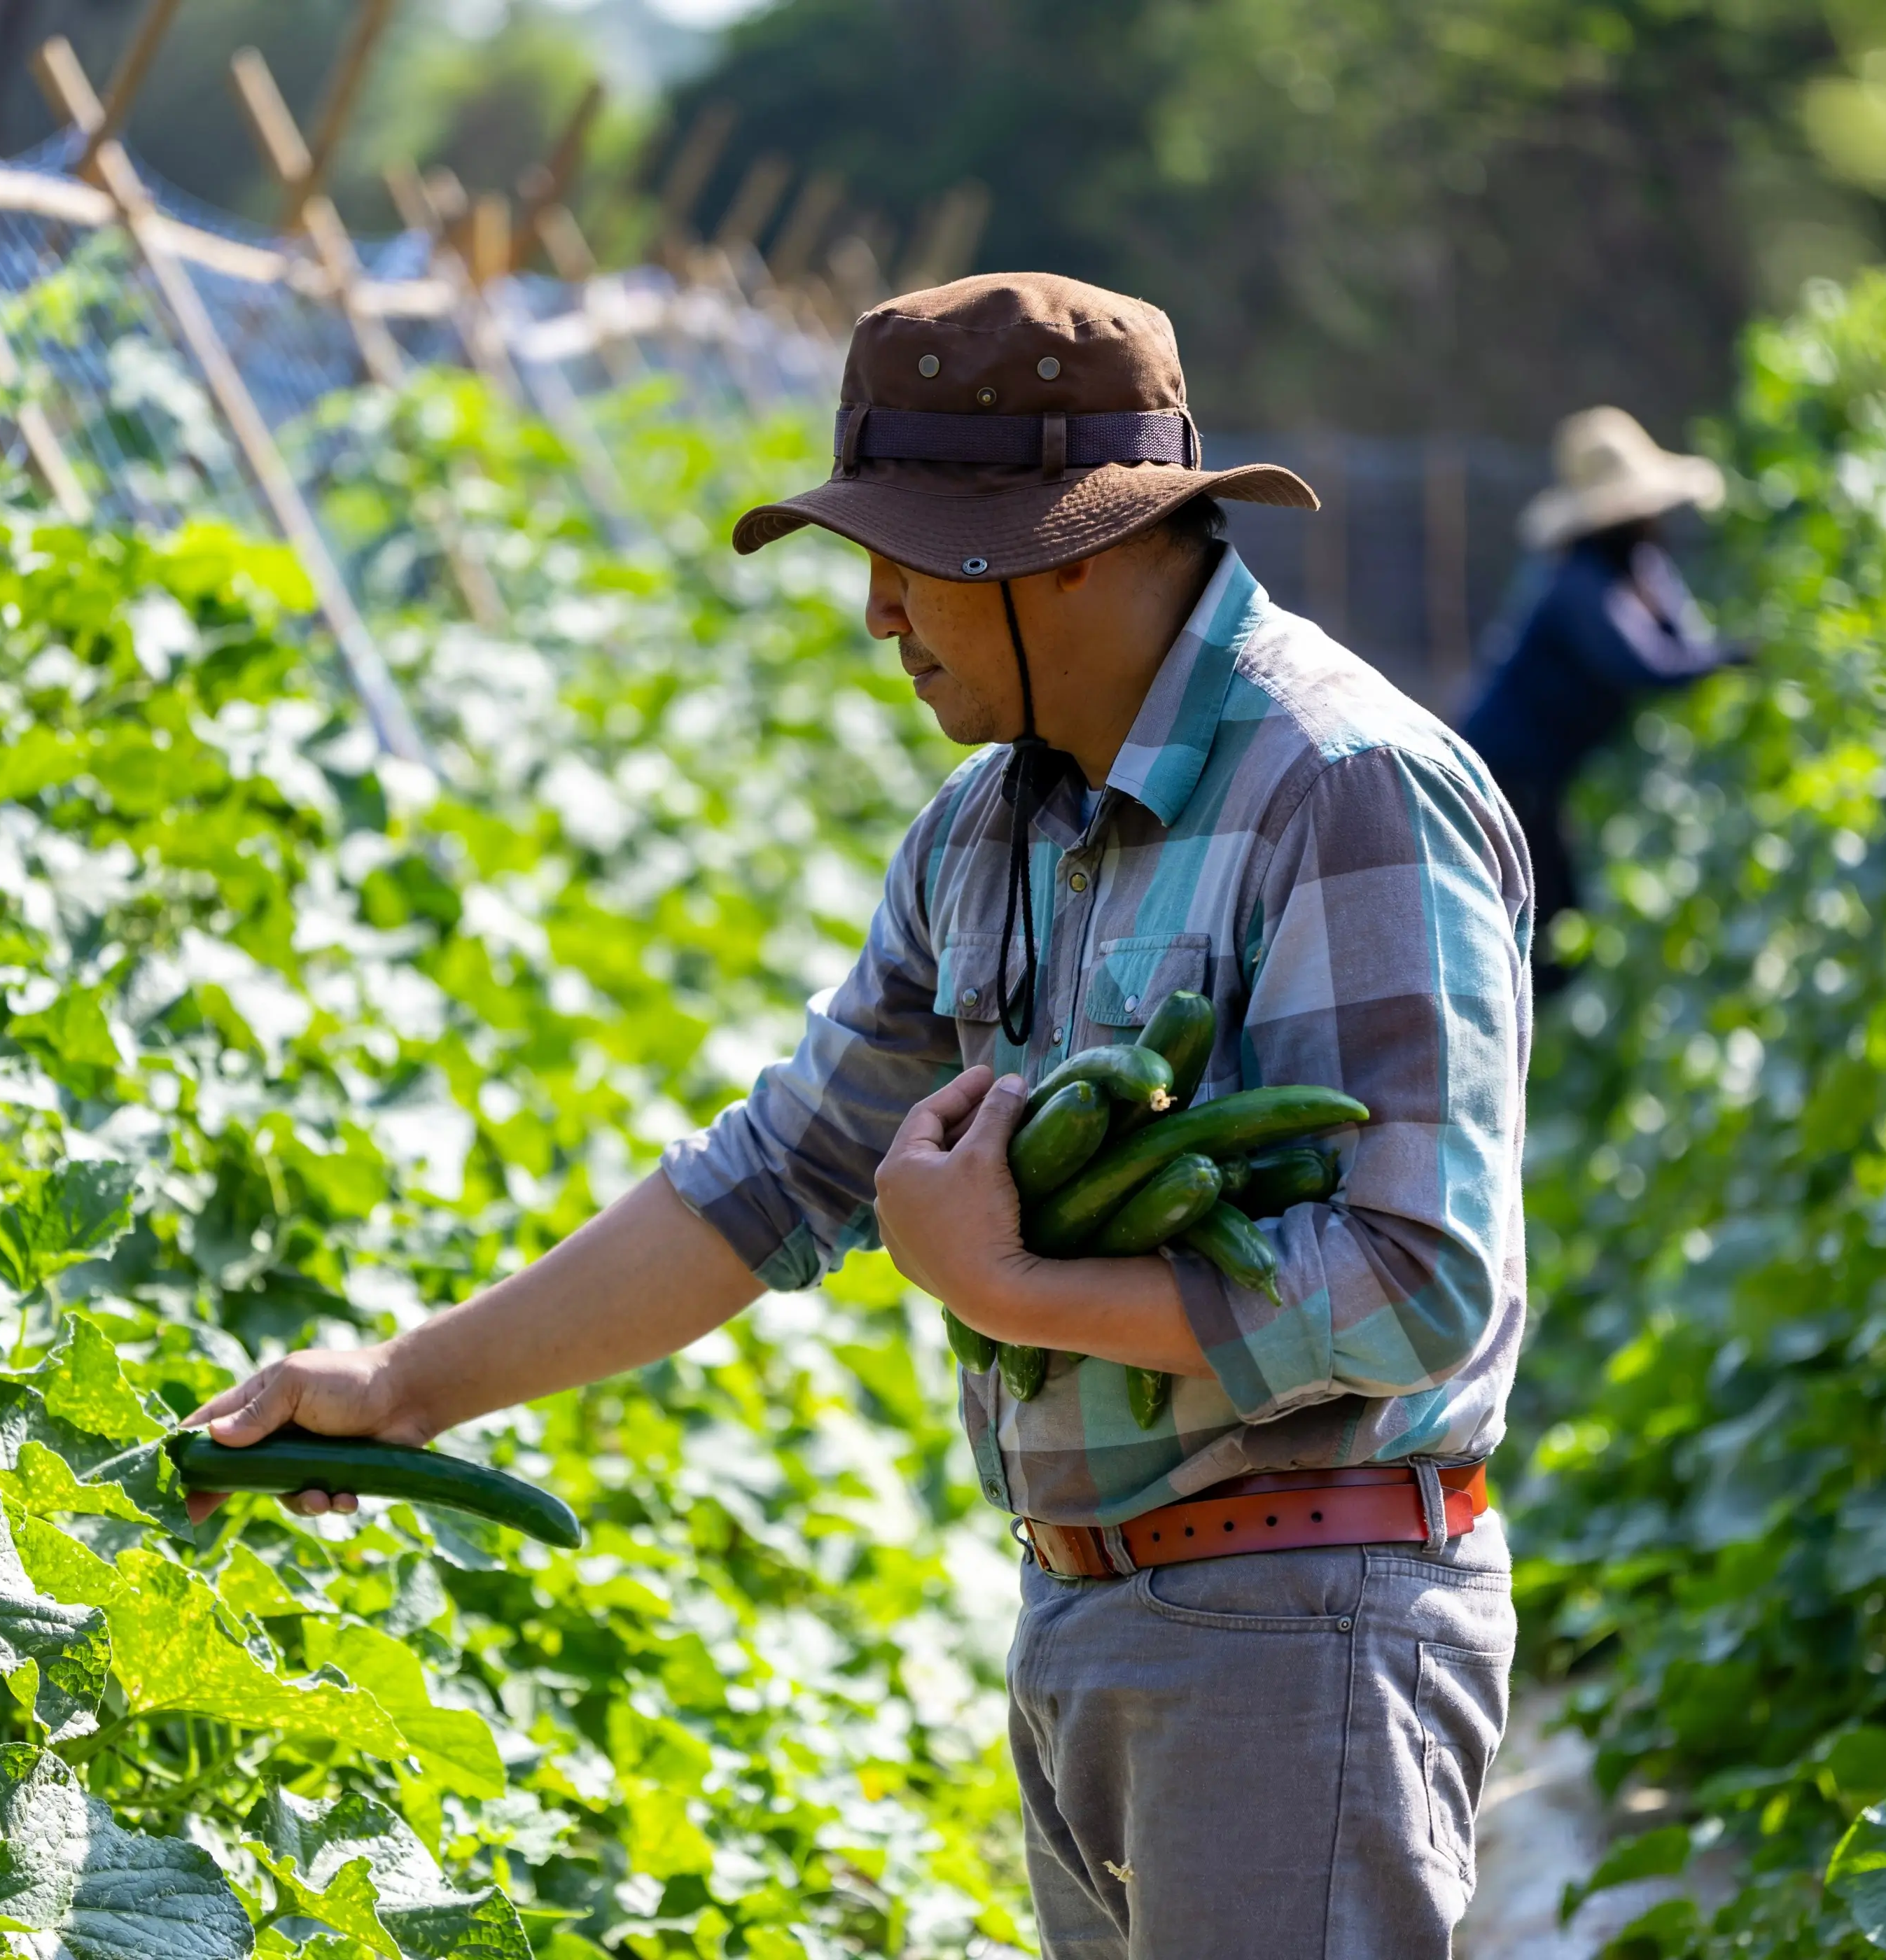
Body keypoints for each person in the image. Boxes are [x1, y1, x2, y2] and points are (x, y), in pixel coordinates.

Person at [189, 274, 1532, 1958]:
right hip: (1089, 1610)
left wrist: (1010, 1287)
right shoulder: (986, 831)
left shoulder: (1338, 790)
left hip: (1300, 1622)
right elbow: (778, 1177)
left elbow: (1418, 1280)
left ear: (1077, 545)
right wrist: (404, 1387)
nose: (883, 612)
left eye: (917, 557)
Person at [1458, 405, 1735, 993]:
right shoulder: (1577, 584)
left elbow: (1686, 641)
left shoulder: (1639, 567)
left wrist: (1715, 653)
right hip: (1509, 775)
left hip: (1542, 778)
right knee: (1545, 938)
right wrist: (1744, 657)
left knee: (1554, 925)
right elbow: (1647, 666)